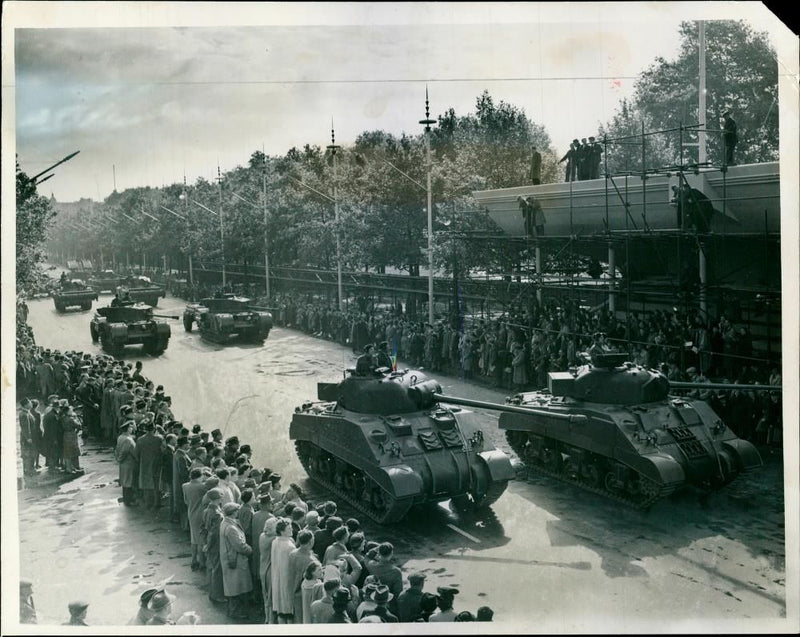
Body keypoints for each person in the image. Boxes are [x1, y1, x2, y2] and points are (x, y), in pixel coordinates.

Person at [220, 501, 253, 619]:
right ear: (233, 513)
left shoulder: (225, 523)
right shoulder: (231, 528)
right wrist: (250, 550)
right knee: (236, 587)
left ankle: (234, 610)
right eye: (237, 511)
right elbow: (240, 546)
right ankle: (234, 612)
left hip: (230, 559)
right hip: (236, 561)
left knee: (233, 586)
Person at [271, 517, 297, 623]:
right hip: (287, 578)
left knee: (281, 608)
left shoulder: (275, 541)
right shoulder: (289, 546)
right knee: (288, 608)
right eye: (289, 528)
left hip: (277, 576)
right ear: (282, 531)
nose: (291, 530)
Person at [115, 421, 138, 506]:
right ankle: (129, 501)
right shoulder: (128, 440)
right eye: (130, 427)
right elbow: (125, 451)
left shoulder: (120, 437)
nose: (132, 429)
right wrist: (120, 459)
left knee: (125, 482)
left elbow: (117, 449)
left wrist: (118, 459)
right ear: (127, 429)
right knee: (129, 482)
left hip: (124, 463)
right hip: (129, 463)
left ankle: (127, 500)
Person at [19, 399, 39, 477]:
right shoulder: (24, 414)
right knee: (28, 454)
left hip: (29, 437)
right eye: (29, 403)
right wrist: (28, 438)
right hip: (27, 438)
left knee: (30, 454)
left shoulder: (26, 412)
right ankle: (29, 471)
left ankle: (30, 470)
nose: (31, 404)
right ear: (26, 405)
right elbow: (25, 427)